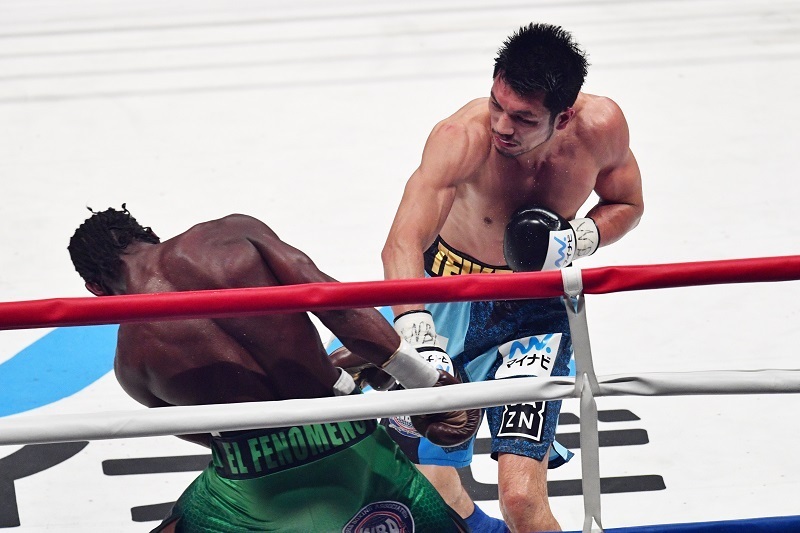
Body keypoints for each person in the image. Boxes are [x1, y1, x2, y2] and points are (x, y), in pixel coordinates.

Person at [379, 22, 644, 532]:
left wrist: (576, 240)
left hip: (533, 313)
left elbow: (627, 203)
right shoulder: (460, 138)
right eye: (497, 104)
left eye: (523, 118)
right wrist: (419, 336)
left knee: (521, 500)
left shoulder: (603, 127)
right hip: (443, 299)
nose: (502, 125)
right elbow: (401, 244)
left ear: (563, 116)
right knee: (431, 480)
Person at [67, 206, 481, 532]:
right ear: (149, 236)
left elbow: (222, 437)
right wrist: (426, 383)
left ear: (96, 290)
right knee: (435, 520)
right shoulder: (230, 234)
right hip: (352, 441)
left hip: (257, 488)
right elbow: (334, 303)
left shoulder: (131, 365)